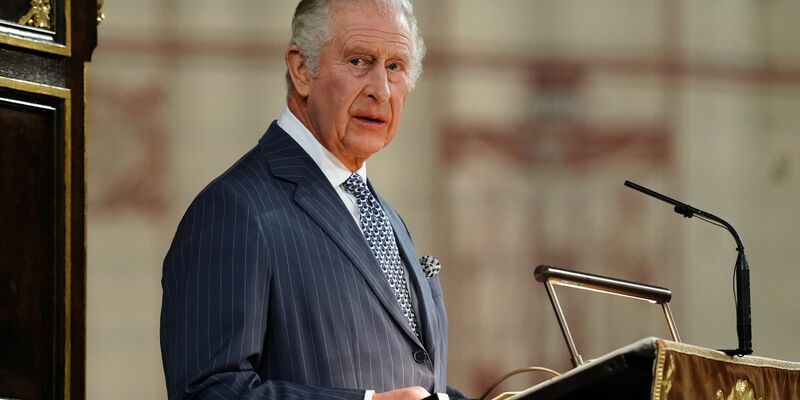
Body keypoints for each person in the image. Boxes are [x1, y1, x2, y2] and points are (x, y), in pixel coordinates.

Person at [160, 0, 466, 399]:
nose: (381, 90)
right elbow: (206, 390)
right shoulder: (235, 210)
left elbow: (412, 375)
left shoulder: (383, 216)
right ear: (302, 69)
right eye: (359, 61)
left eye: (395, 67)